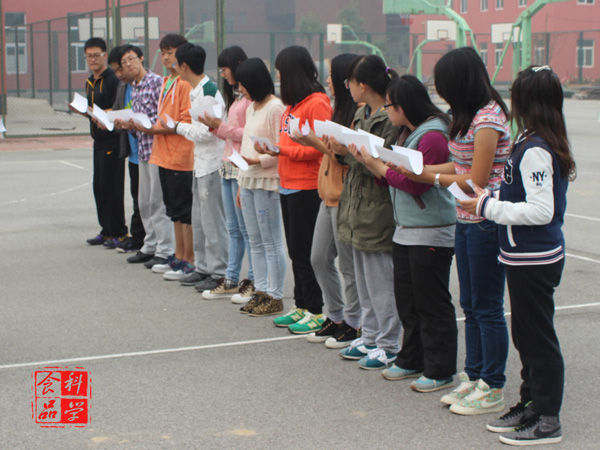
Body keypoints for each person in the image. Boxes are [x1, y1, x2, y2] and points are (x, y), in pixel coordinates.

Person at [460, 65, 575, 446]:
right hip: (521, 255)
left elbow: (541, 211)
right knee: (526, 336)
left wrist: (487, 207)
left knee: (538, 339)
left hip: (535, 258)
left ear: (525, 101)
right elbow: (521, 196)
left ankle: (548, 418)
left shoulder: (537, 149)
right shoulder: (531, 139)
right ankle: (530, 404)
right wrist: (492, 198)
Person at [396, 47, 511, 413]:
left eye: (444, 86)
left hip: (485, 222)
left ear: (461, 83)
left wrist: (427, 176)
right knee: (470, 305)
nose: (441, 94)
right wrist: (421, 168)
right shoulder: (468, 115)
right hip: (465, 220)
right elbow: (457, 163)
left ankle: (492, 385)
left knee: (487, 307)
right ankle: (474, 376)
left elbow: (477, 178)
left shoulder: (488, 119)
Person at [356, 75, 458, 391]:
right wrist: (372, 164)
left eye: (389, 106)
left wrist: (379, 166)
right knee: (408, 302)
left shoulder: (433, 137)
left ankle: (440, 369)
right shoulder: (409, 133)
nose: (387, 111)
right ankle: (411, 358)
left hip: (430, 231)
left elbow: (417, 183)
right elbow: (396, 177)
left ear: (404, 106)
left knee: (431, 303)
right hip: (406, 229)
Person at [332, 55, 402, 370]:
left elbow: (384, 164)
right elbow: (356, 160)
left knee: (380, 282)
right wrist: (340, 151)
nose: (347, 87)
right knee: (363, 279)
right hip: (356, 205)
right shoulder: (362, 114)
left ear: (363, 85)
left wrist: (352, 154)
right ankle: (371, 336)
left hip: (376, 206)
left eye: (350, 82)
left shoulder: (389, 117)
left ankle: (389, 343)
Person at [256, 46, 331, 334]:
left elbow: (319, 148)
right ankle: (301, 304)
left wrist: (282, 151)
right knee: (296, 251)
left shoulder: (317, 103)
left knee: (307, 252)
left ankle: (315, 309)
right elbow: (290, 143)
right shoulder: (292, 106)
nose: (278, 77)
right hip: (287, 184)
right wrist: (274, 149)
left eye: (281, 72)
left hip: (307, 186)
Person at [289, 53, 361, 347]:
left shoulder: (357, 114)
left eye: (333, 75)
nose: (328, 80)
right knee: (318, 257)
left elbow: (347, 159)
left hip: (343, 196)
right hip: (327, 195)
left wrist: (312, 142)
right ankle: (336, 315)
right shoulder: (337, 110)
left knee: (348, 266)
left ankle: (354, 323)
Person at [164, 43, 229, 286]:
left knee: (213, 221)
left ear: (184, 66)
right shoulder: (196, 90)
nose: (174, 67)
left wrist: (178, 127)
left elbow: (207, 133)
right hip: (200, 163)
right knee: (200, 219)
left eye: (175, 62)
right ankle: (202, 267)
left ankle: (219, 272)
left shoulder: (208, 92)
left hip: (212, 164)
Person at [197, 46, 255, 303]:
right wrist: (215, 127)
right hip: (228, 164)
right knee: (233, 228)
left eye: (225, 69)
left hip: (243, 165)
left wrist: (221, 127)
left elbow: (248, 134)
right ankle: (231, 277)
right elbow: (231, 133)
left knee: (246, 229)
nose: (223, 74)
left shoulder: (251, 99)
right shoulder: (237, 97)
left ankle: (252, 280)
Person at [233, 58, 287, 317]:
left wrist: (260, 160)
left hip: (267, 182)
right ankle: (261, 290)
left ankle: (275, 295)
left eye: (243, 84)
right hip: (248, 180)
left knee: (271, 241)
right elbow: (246, 144)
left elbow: (280, 149)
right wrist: (240, 183)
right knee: (254, 240)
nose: (240, 89)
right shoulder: (252, 107)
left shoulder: (275, 108)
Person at [139, 34, 195, 276]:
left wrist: (152, 129)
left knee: (184, 211)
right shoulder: (167, 81)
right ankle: (177, 255)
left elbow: (184, 121)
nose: (165, 57)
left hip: (180, 156)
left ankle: (188, 259)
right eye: (162, 53)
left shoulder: (185, 84)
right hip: (162, 154)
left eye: (170, 53)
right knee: (172, 209)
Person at [116, 45, 174, 267]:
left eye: (131, 59)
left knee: (157, 202)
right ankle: (150, 245)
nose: (128, 65)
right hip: (142, 150)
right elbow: (139, 122)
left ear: (141, 58)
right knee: (144, 202)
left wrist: (141, 124)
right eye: (124, 62)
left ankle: (165, 249)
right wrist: (129, 125)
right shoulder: (134, 86)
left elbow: (163, 117)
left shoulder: (156, 82)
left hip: (157, 150)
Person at [80, 37, 127, 247]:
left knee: (112, 187)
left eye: (96, 55)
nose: (93, 59)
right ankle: (106, 230)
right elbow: (94, 114)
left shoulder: (112, 80)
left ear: (104, 56)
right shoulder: (90, 81)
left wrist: (101, 113)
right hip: (98, 141)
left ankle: (119, 231)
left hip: (112, 141)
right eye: (89, 56)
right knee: (99, 186)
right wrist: (83, 111)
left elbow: (118, 109)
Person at [106, 46, 146, 254]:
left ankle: (142, 239)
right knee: (136, 196)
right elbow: (117, 111)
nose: (120, 73)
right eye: (116, 69)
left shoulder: (148, 84)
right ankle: (139, 238)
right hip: (132, 152)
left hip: (148, 151)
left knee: (148, 201)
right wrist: (108, 119)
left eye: (122, 67)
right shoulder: (123, 87)